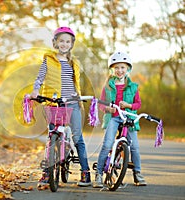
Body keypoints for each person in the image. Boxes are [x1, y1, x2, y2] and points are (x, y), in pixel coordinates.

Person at [31, 26, 91, 187]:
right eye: (61, 41)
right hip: (53, 102)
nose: (64, 44)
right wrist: (35, 91)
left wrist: (79, 96)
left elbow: (76, 83)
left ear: (71, 44)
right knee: (52, 136)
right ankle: (46, 173)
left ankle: (85, 173)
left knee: (78, 138)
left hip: (72, 102)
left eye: (67, 41)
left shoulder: (74, 62)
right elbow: (40, 77)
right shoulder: (48, 60)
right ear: (55, 43)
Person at [92, 51, 147, 188]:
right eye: (116, 67)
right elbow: (101, 103)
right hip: (114, 118)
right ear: (112, 69)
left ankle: (138, 174)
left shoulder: (133, 87)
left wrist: (128, 105)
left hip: (129, 119)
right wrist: (107, 109)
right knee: (107, 144)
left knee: (134, 147)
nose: (120, 70)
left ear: (128, 68)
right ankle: (98, 174)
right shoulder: (108, 86)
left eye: (122, 67)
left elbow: (138, 104)